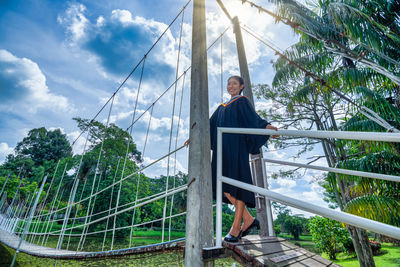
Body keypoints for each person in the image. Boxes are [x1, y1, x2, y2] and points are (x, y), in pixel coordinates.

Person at [185, 75, 278, 242]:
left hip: (237, 148)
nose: (231, 86)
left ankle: (236, 228)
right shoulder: (221, 107)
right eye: (229, 83)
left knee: (237, 186)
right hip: (222, 149)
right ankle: (248, 219)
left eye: (234, 83)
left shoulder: (241, 101)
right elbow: (209, 124)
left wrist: (265, 126)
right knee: (223, 186)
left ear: (241, 86)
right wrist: (194, 136)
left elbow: (253, 118)